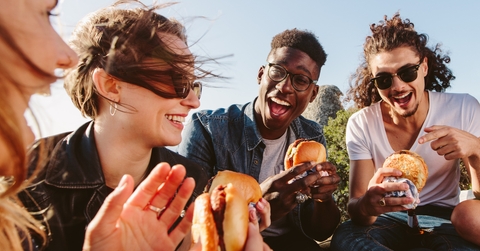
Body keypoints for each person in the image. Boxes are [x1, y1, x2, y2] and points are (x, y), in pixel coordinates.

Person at [0, 0, 195, 251]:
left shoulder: (192, 181)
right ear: (111, 86)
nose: (194, 100)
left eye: (194, 84)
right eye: (178, 79)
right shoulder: (27, 182)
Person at [178, 28, 341, 251]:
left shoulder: (312, 137)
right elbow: (184, 223)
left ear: (313, 94)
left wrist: (324, 199)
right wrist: (257, 207)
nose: (284, 87)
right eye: (277, 72)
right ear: (261, 74)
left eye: (301, 80)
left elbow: (321, 232)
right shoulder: (207, 127)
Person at [330, 13, 480, 250]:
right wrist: (368, 205)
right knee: (349, 239)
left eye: (407, 72)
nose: (398, 86)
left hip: (444, 218)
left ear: (424, 67)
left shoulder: (464, 109)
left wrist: (475, 150)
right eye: (384, 79)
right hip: (386, 218)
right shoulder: (362, 124)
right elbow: (357, 209)